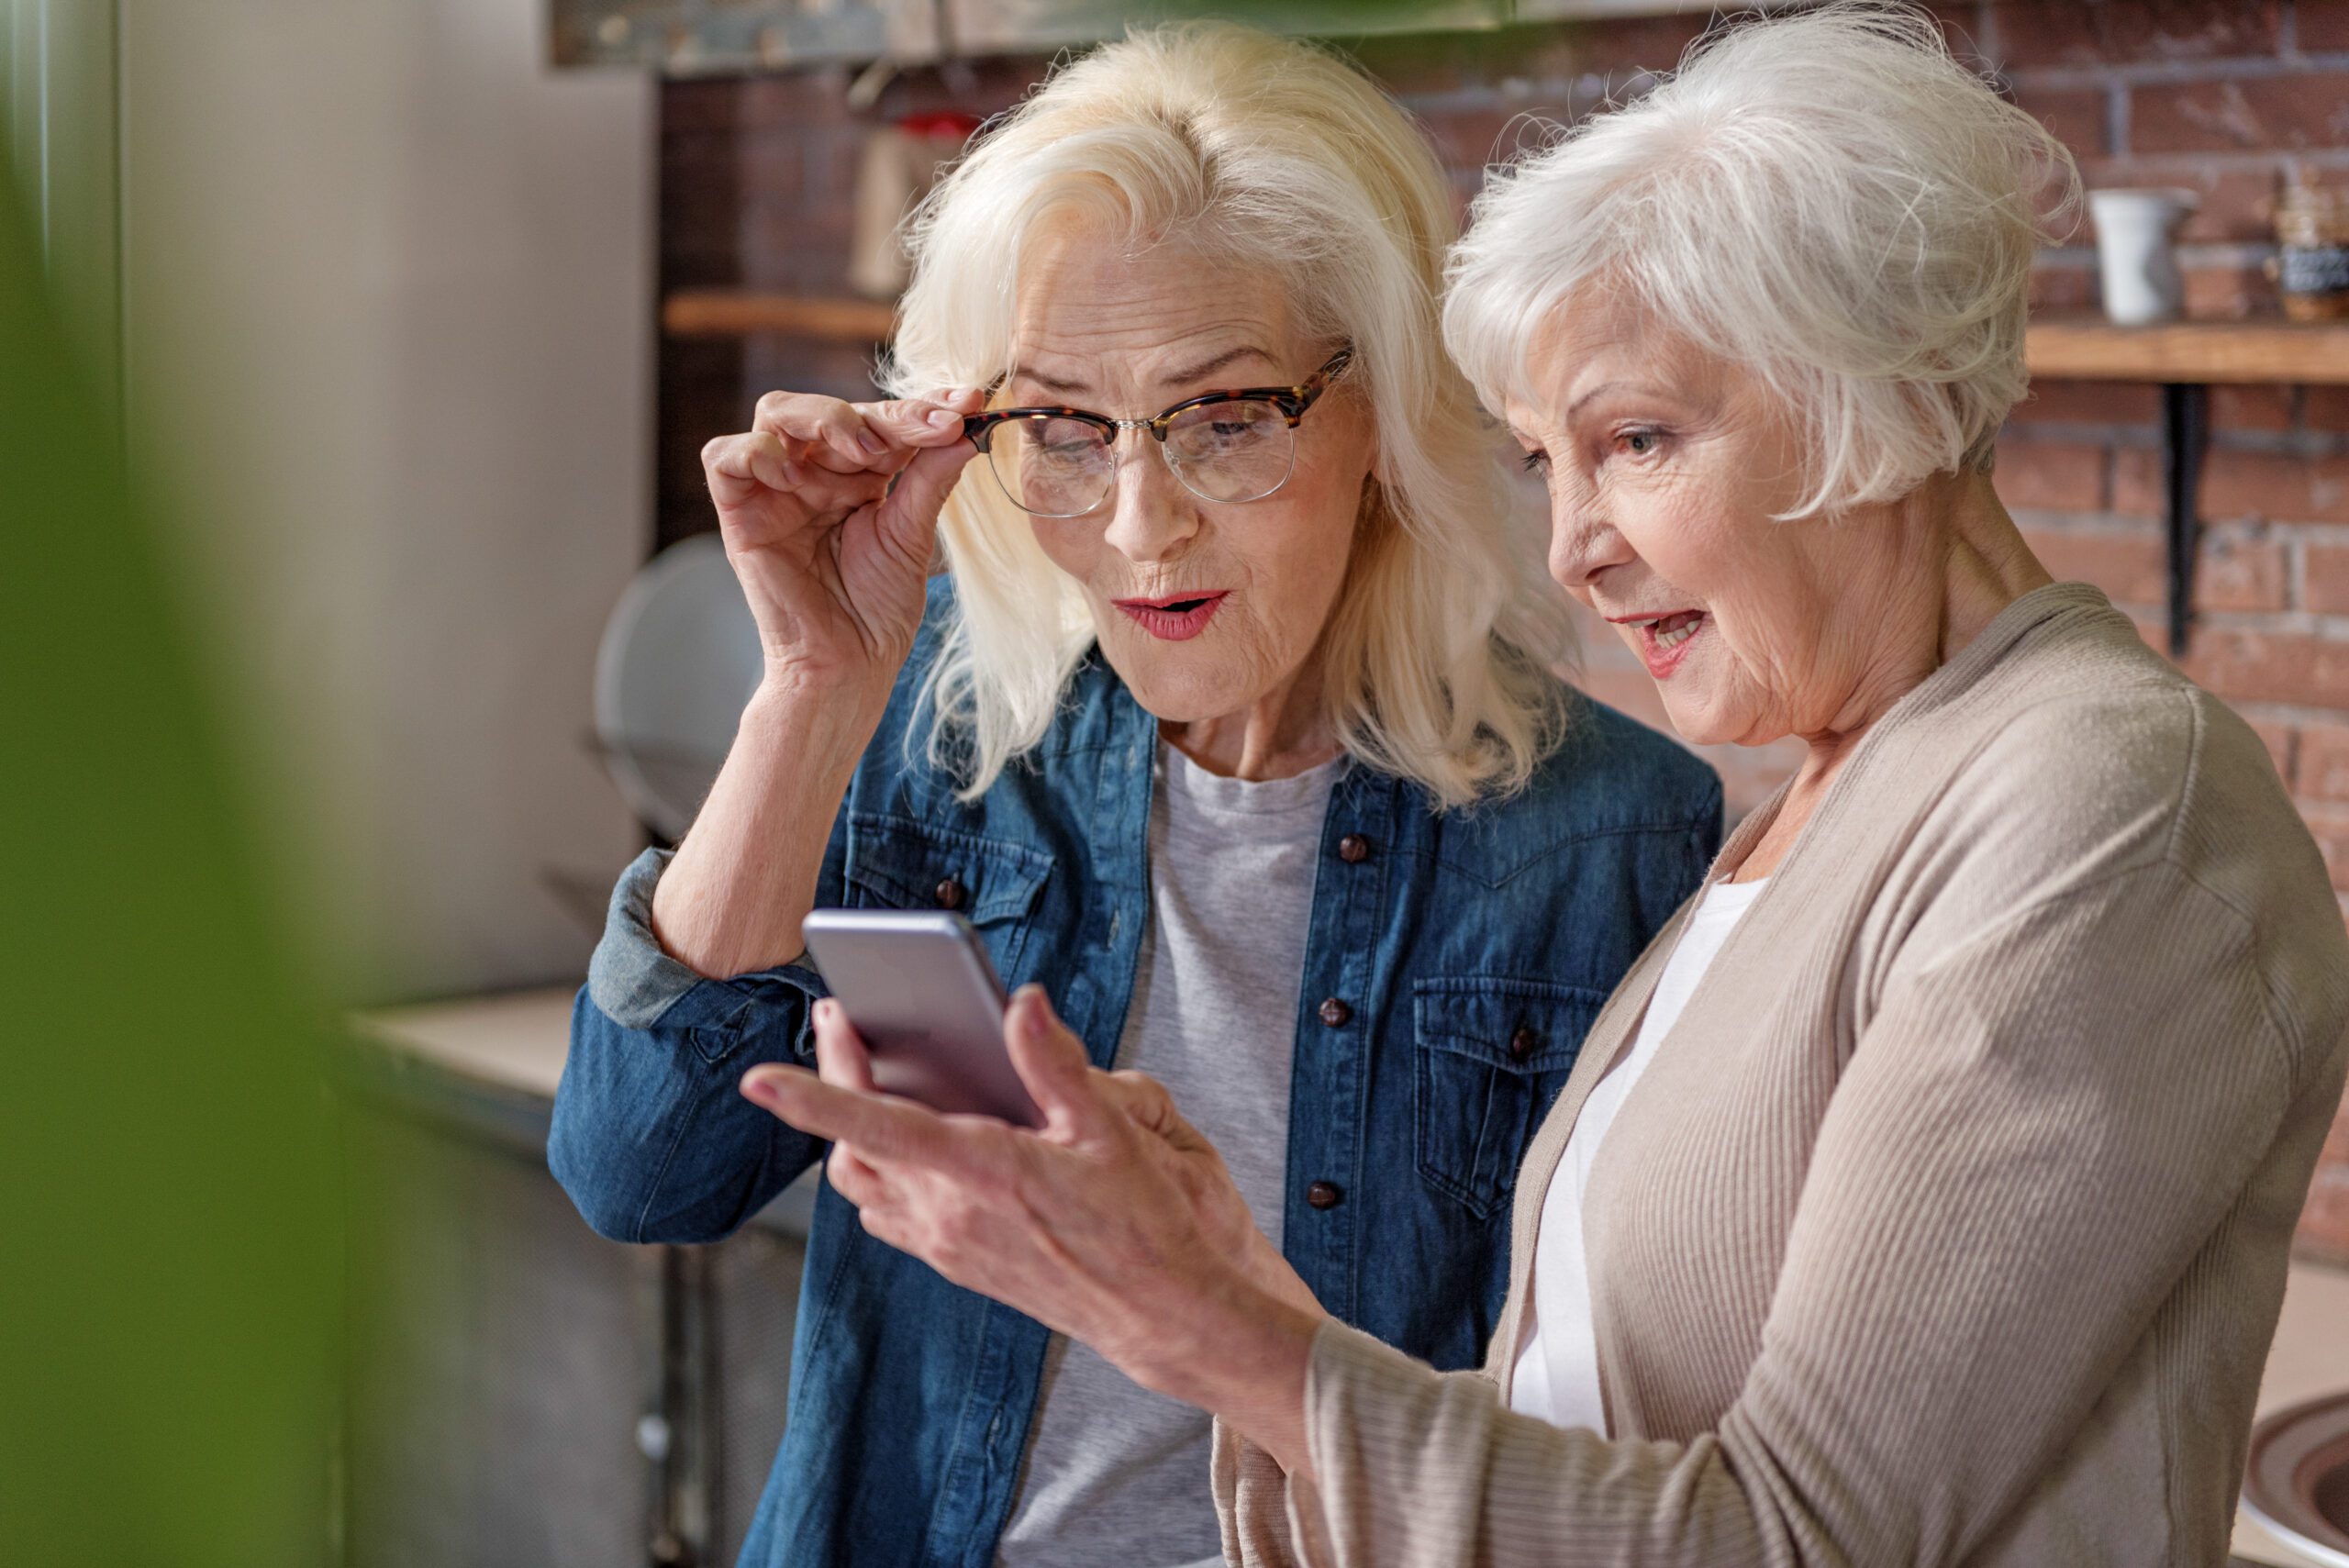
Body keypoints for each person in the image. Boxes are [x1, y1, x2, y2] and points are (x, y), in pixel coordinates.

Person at [740, 8, 2349, 1565]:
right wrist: (1238, 1289)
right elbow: (1582, 1426)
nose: (1575, 550)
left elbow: (1792, 1543)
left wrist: (1221, 1337)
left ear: (1899, 387)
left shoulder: (2109, 806)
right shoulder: (1823, 801)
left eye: (1637, 440)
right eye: (1548, 465)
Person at [548, 22, 1720, 1568]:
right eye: (1064, 427)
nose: (1140, 520)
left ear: (1377, 415)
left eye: (1227, 417)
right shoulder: (929, 733)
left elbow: (1590, 1435)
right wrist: (813, 690)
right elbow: (645, 1169)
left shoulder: (1612, 832)